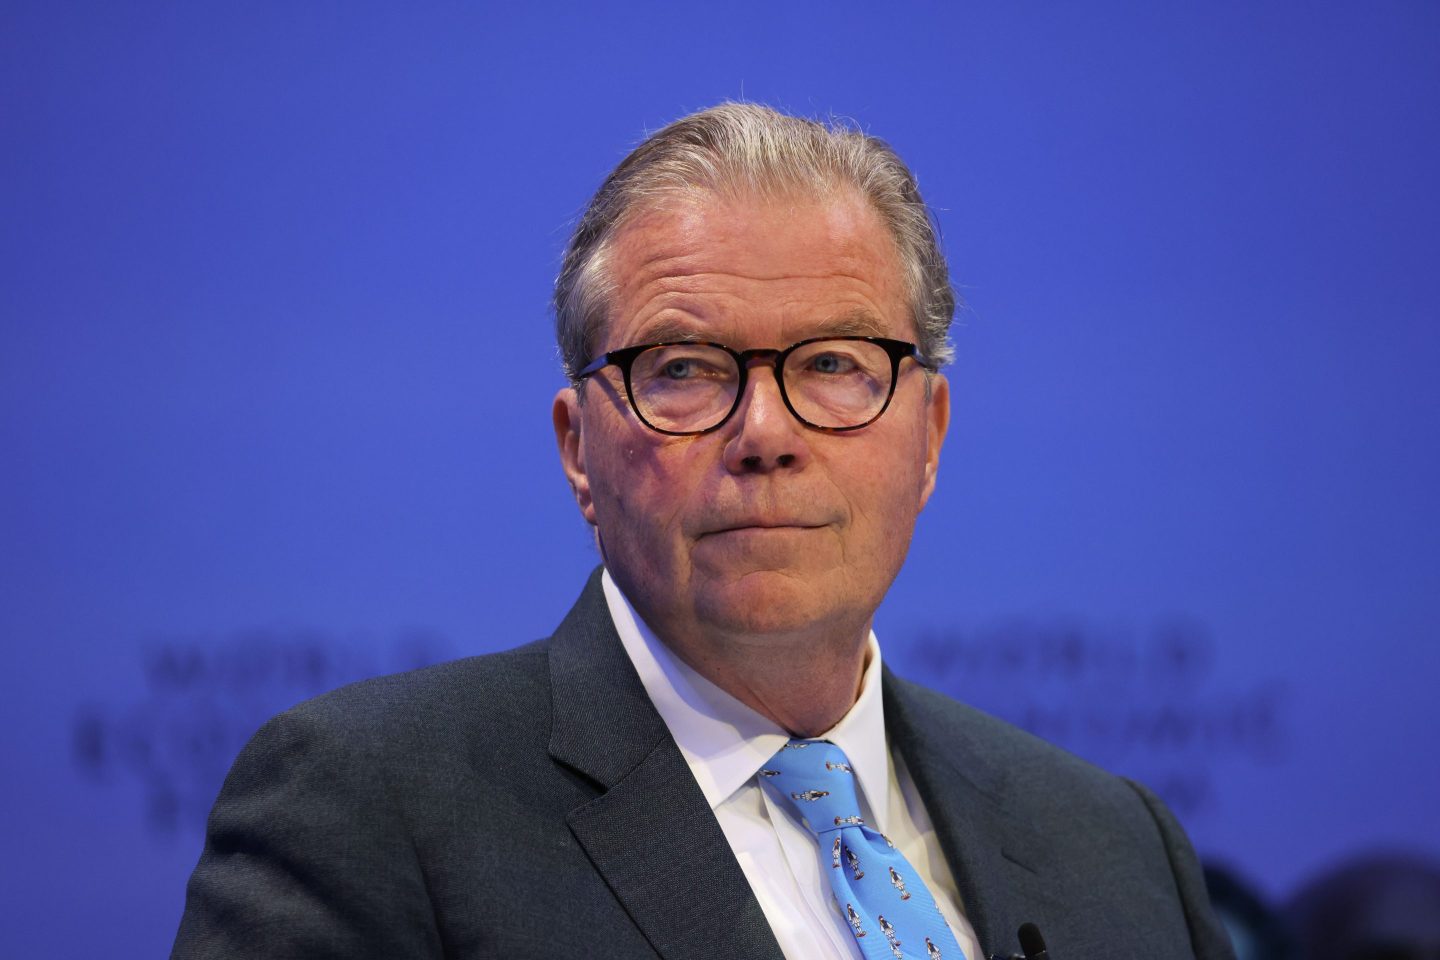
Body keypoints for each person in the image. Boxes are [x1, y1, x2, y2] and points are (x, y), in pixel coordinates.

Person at [171, 103, 1235, 960]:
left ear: (931, 436)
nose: (765, 434)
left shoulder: (1117, 849)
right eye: (682, 371)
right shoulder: (370, 810)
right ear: (578, 448)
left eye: (833, 364)